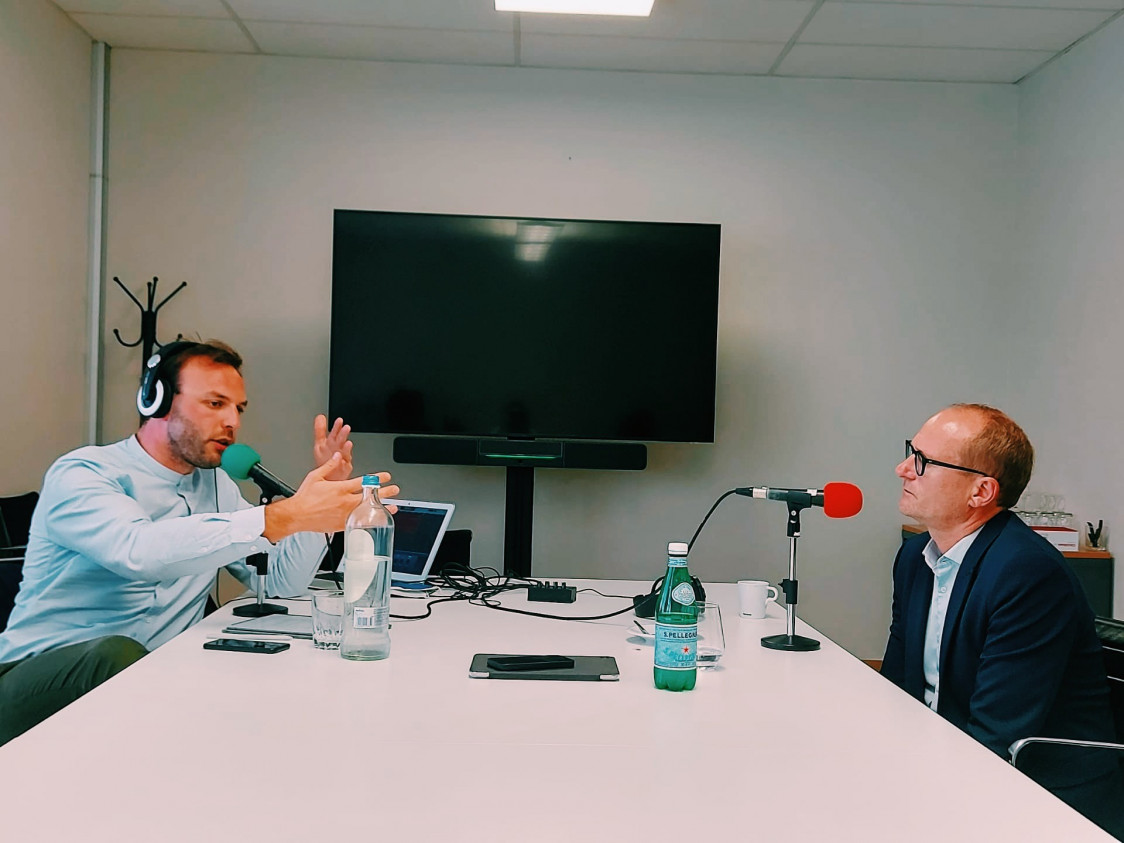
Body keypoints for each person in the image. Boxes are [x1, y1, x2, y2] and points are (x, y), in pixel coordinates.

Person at [0, 340, 399, 745]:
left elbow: (281, 582)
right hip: (34, 679)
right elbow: (140, 552)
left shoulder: (216, 485)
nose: (232, 421)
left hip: (153, 680)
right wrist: (280, 517)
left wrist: (315, 514)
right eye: (215, 403)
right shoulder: (83, 473)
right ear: (156, 400)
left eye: (238, 408)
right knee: (114, 654)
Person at [883, 403, 1124, 837]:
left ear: (981, 492)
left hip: (1041, 794)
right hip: (949, 762)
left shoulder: (1027, 573)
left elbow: (996, 734)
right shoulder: (914, 557)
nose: (902, 469)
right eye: (909, 452)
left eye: (922, 461)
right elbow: (899, 683)